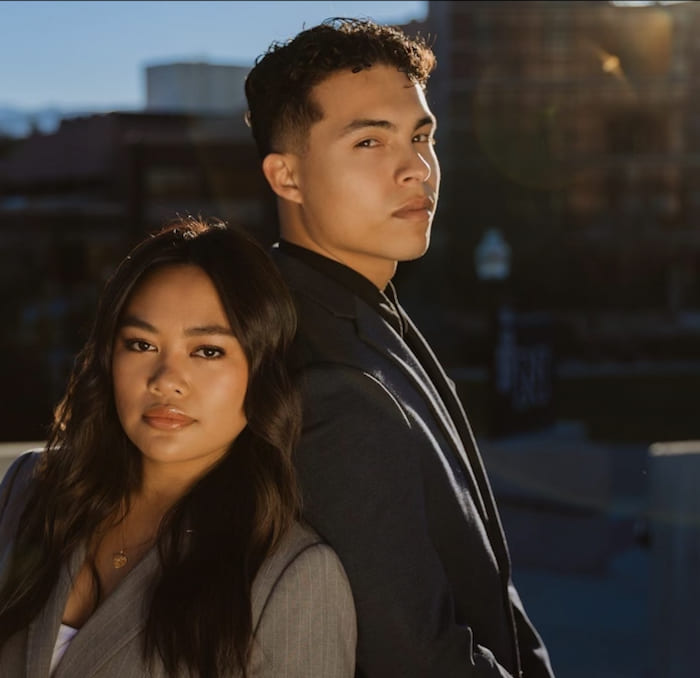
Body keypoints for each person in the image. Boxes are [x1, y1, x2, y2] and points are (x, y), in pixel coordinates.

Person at [244, 17, 555, 678]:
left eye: (421, 136)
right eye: (368, 142)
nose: (416, 169)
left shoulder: (358, 307)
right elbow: (412, 655)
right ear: (287, 177)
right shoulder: (326, 372)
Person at [0, 218, 356, 677]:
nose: (166, 381)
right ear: (108, 358)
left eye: (207, 351)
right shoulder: (30, 493)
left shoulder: (292, 578)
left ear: (261, 372)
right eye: (141, 344)